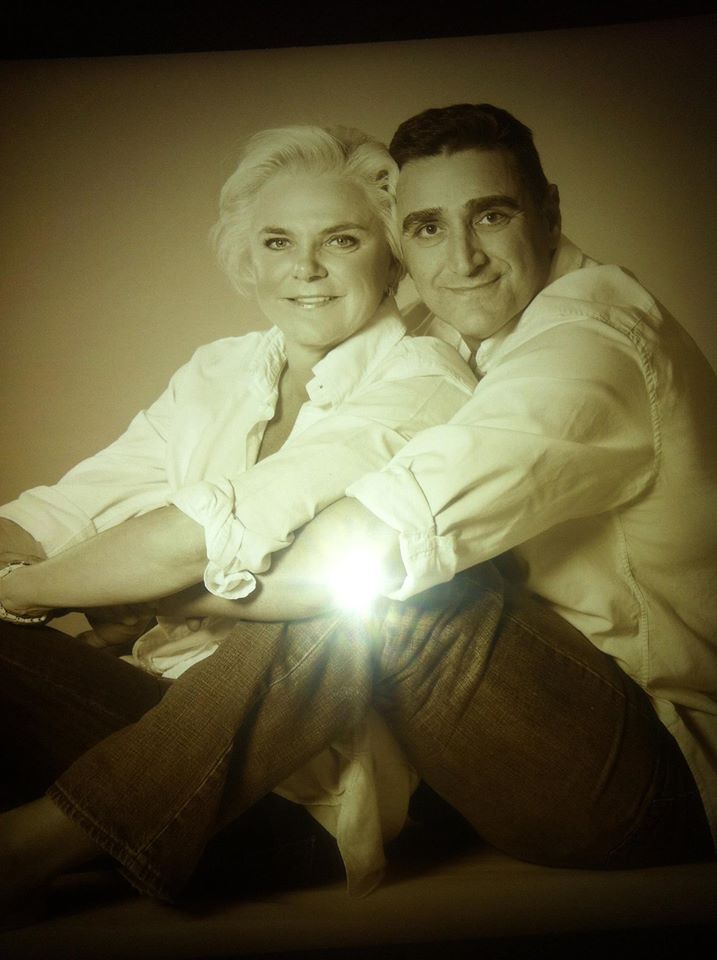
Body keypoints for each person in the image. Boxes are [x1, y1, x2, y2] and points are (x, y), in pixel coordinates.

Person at [3, 101, 716, 912]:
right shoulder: (240, 367)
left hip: (647, 764)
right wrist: (63, 585)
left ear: (547, 212)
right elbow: (61, 510)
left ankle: (40, 841)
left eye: (491, 215)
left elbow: (349, 548)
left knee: (382, 584)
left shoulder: (573, 350)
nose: (461, 257)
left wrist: (112, 592)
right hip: (226, 726)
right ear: (406, 246)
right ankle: (100, 816)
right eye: (428, 227)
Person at [0, 123, 477, 914]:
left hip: (287, 782)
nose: (305, 269)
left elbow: (201, 535)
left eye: (342, 240)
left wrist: (26, 593)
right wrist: (46, 571)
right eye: (277, 242)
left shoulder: (422, 380)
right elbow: (61, 512)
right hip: (146, 705)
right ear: (247, 259)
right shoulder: (218, 370)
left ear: (393, 256)